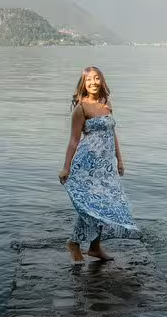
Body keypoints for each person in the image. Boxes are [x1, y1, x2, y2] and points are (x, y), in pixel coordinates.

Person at [58, 66, 139, 263]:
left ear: (102, 81)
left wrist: (119, 159)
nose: (93, 82)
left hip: (106, 167)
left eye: (96, 78)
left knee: (104, 204)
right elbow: (73, 141)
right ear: (83, 85)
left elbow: (113, 133)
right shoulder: (81, 109)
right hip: (87, 166)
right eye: (88, 80)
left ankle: (94, 247)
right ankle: (75, 243)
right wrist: (66, 167)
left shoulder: (106, 105)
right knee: (92, 205)